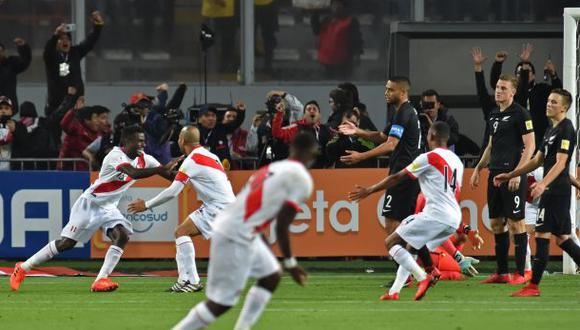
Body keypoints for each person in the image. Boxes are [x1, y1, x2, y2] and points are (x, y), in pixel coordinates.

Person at [172, 132, 317, 330]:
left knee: (271, 275)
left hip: (235, 226)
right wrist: (290, 262)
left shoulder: (271, 168)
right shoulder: (301, 178)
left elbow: (254, 211)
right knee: (221, 303)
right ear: (313, 154)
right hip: (236, 232)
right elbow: (282, 224)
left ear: (291, 149)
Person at [10, 125, 180, 292]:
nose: (143, 145)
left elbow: (168, 175)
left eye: (144, 142)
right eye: (139, 142)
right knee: (66, 243)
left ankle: (101, 279)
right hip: (89, 204)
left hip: (109, 208)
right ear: (127, 141)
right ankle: (23, 267)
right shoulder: (114, 156)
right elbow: (133, 173)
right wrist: (160, 168)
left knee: (122, 235)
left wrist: (188, 173)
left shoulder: (145, 159)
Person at [349, 121, 464, 301]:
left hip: (436, 214)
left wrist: (369, 190)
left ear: (431, 136)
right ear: (447, 138)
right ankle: (394, 291)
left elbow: (397, 177)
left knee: (391, 242)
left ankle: (423, 277)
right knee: (411, 247)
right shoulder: (457, 161)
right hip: (453, 218)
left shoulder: (429, 157)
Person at [493, 89, 580, 297]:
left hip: (555, 191)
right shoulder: (551, 130)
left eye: (554, 102)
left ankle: (533, 286)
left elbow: (561, 163)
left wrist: (543, 184)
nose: (548, 104)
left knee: (542, 235)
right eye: (548, 100)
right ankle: (533, 285)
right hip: (554, 190)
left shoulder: (566, 129)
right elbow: (537, 160)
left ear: (564, 108)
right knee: (563, 239)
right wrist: (511, 174)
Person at [128, 126, 236, 293]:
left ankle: (193, 281)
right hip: (224, 205)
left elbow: (173, 192)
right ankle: (183, 279)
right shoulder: (209, 155)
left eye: (179, 137)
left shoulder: (192, 160)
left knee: (181, 232)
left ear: (182, 140)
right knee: (180, 232)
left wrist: (146, 205)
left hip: (218, 206)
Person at [470, 73, 535, 285]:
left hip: (512, 175)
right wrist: (478, 168)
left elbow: (530, 146)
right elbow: (491, 145)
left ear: (513, 92)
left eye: (503, 88)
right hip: (494, 174)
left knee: (517, 223)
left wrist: (518, 172)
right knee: (496, 223)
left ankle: (522, 272)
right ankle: (502, 272)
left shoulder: (521, 114)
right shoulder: (493, 114)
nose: (498, 91)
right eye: (497, 87)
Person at [339, 77, 421, 238]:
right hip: (408, 173)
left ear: (403, 92)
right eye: (386, 89)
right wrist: (358, 131)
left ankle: (406, 263)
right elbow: (383, 136)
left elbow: (391, 144)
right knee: (405, 224)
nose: (386, 93)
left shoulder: (404, 112)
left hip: (403, 175)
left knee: (391, 223)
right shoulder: (404, 111)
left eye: (391, 90)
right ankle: (412, 261)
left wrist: (361, 156)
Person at [489, 43, 562, 150]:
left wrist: (553, 75)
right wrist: (497, 64)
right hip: (517, 135)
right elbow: (496, 84)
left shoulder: (541, 89)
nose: (523, 73)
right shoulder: (513, 93)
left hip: (539, 134)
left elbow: (559, 94)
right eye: (518, 72)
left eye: (527, 70)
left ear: (534, 75)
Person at [44, 11, 104, 115]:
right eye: (61, 39)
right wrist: (55, 35)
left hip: (76, 105)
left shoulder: (75, 53)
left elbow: (89, 42)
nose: (65, 41)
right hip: (56, 107)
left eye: (67, 39)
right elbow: (47, 51)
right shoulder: (52, 57)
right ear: (56, 43)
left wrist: (97, 26)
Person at [272, 100, 332, 169]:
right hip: (300, 171)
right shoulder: (296, 127)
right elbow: (277, 133)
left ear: (319, 115)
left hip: (321, 172)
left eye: (314, 109)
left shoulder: (325, 130)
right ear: (304, 115)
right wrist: (279, 114)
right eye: (309, 109)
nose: (312, 111)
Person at [311, 0, 363, 79]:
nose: (336, 8)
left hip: (343, 62)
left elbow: (357, 39)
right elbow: (316, 30)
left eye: (339, 5)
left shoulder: (350, 21)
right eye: (334, 5)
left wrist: (357, 54)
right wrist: (315, 14)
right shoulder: (327, 20)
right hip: (326, 61)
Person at [59, 104, 111, 171]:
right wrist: (73, 109)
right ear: (87, 120)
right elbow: (64, 124)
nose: (98, 121)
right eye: (95, 118)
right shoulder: (76, 131)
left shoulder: (101, 134)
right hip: (73, 172)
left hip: (91, 171)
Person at [197, 102, 246, 168]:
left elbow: (236, 123)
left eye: (213, 115)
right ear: (199, 119)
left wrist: (241, 111)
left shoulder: (221, 128)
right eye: (207, 115)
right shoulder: (195, 133)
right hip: (204, 171)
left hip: (225, 170)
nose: (211, 118)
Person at [0, 37, 31, 113]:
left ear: (3, 52)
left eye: (0, 51)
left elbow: (24, 62)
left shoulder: (10, 63)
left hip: (9, 107)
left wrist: (23, 47)